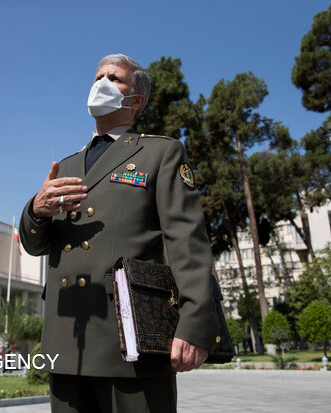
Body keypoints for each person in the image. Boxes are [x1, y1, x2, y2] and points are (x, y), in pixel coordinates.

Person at [19, 54, 219, 413]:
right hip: (67, 341)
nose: (101, 84)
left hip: (130, 342)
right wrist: (36, 210)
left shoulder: (159, 152)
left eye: (114, 78)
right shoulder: (65, 165)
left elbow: (188, 242)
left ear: (136, 100)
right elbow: (36, 246)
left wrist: (194, 324)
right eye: (97, 77)